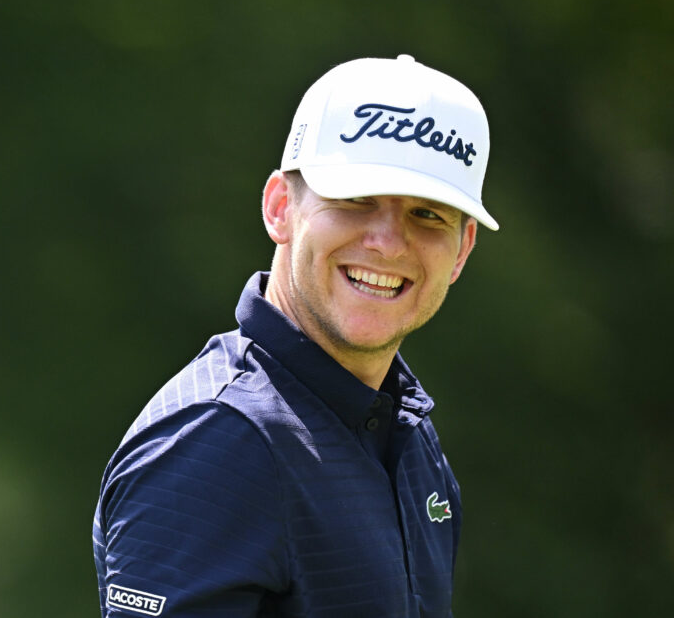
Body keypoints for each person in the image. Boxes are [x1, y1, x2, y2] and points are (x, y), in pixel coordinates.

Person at [93, 54, 499, 618]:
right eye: (356, 199)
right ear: (280, 208)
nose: (388, 241)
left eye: (428, 215)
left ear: (462, 251)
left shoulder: (407, 433)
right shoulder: (215, 442)